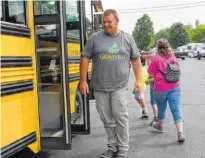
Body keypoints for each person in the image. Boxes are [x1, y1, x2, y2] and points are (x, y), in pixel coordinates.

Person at [80, 9, 142, 158]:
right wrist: (83, 81)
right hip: (100, 87)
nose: (106, 25)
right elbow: (84, 59)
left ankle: (123, 150)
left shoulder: (127, 39)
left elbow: (136, 60)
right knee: (107, 121)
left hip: (119, 87)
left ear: (117, 21)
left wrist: (138, 80)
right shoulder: (94, 38)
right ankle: (112, 147)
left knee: (121, 118)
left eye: (109, 22)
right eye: (104, 22)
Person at [148, 38, 185, 143]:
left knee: (162, 108)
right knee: (176, 109)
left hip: (160, 89)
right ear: (168, 46)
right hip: (175, 87)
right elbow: (178, 70)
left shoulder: (155, 58)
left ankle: (160, 126)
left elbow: (150, 72)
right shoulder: (173, 57)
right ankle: (180, 133)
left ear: (157, 47)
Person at [145, 54, 158, 125]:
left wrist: (148, 81)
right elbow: (150, 77)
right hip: (152, 86)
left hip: (154, 86)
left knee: (153, 102)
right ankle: (156, 117)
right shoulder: (150, 67)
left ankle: (156, 117)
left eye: (149, 60)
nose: (147, 62)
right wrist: (147, 80)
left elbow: (156, 78)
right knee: (153, 102)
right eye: (147, 61)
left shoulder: (153, 67)